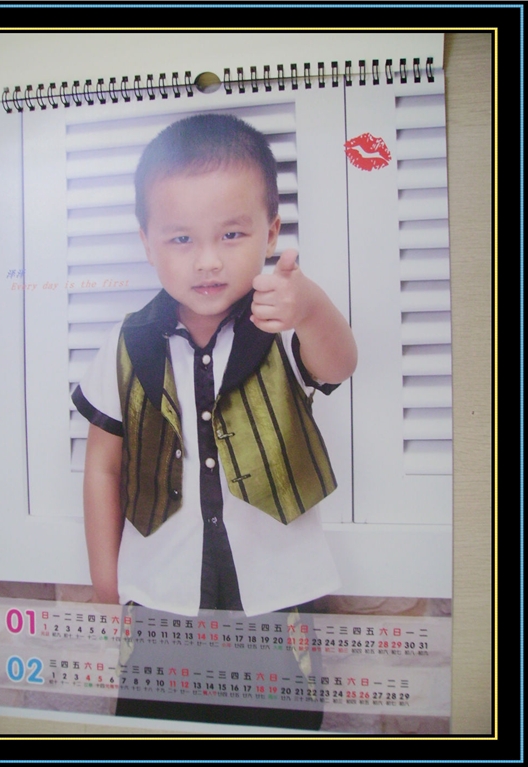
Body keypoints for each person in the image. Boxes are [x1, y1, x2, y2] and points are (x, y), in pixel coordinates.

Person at [72, 113, 357, 619]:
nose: (208, 261)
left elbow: (338, 366)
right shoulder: (126, 343)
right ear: (147, 243)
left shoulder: (282, 325)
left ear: (270, 234)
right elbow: (103, 466)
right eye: (181, 239)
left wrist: (311, 308)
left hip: (279, 585)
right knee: (155, 676)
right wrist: (105, 580)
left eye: (231, 234)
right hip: (160, 585)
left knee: (280, 674)